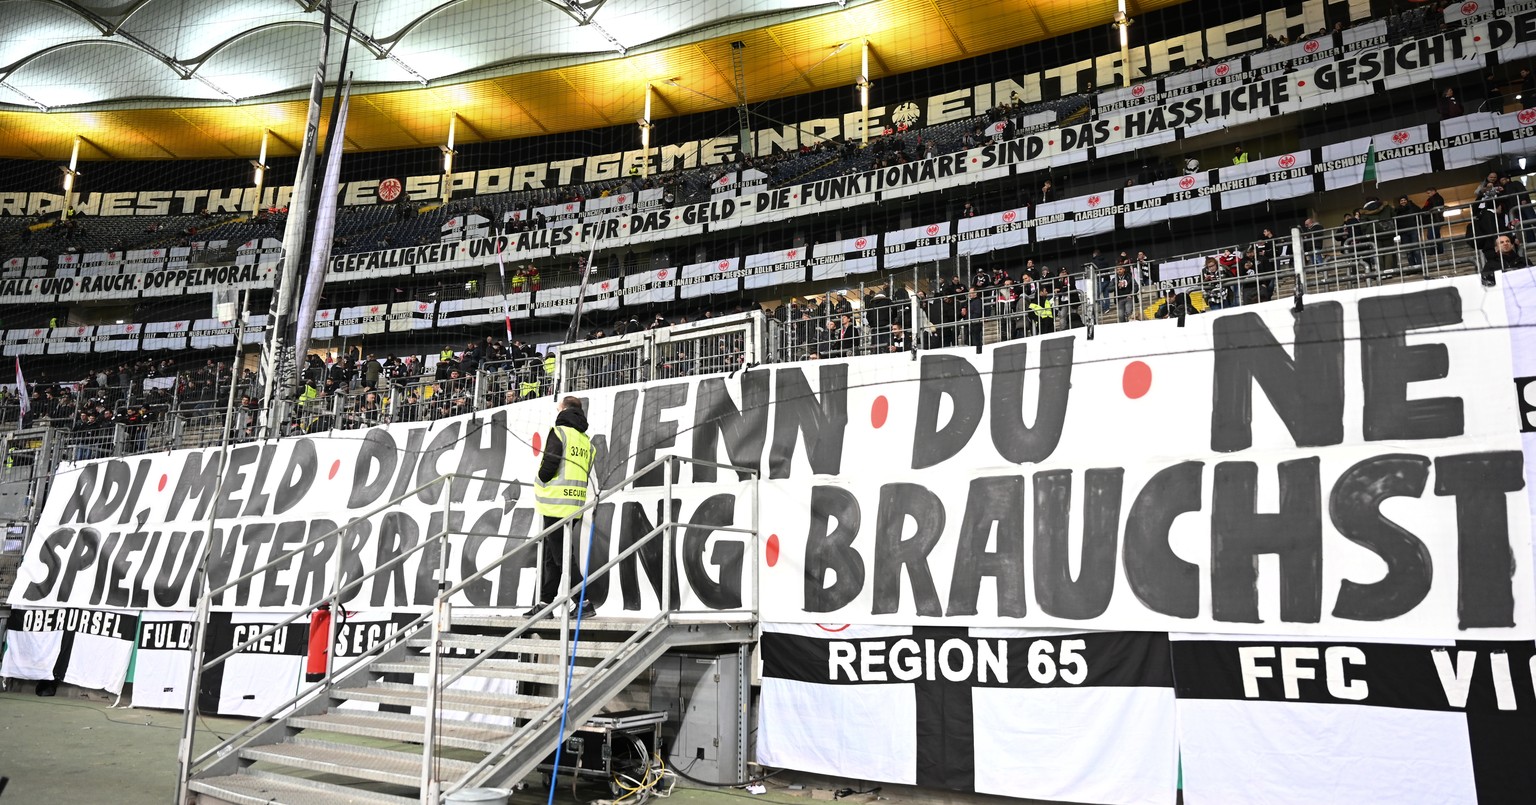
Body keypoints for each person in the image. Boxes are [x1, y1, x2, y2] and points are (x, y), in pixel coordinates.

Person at [529, 396, 596, 619]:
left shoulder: (559, 432)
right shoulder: (586, 440)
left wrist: (540, 477)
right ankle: (546, 603)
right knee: (553, 554)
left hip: (555, 503)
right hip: (575, 504)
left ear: (563, 409)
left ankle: (584, 601)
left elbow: (549, 465)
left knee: (562, 556)